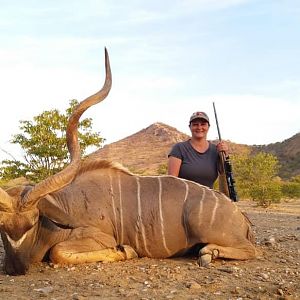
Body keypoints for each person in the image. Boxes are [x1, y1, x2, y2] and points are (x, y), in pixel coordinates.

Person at [167, 111, 229, 189]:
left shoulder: (216, 150)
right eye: (195, 124)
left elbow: (224, 175)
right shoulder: (179, 148)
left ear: (208, 127)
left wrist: (225, 155)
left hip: (209, 198)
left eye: (203, 124)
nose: (199, 128)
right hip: (184, 199)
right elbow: (171, 181)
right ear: (190, 127)